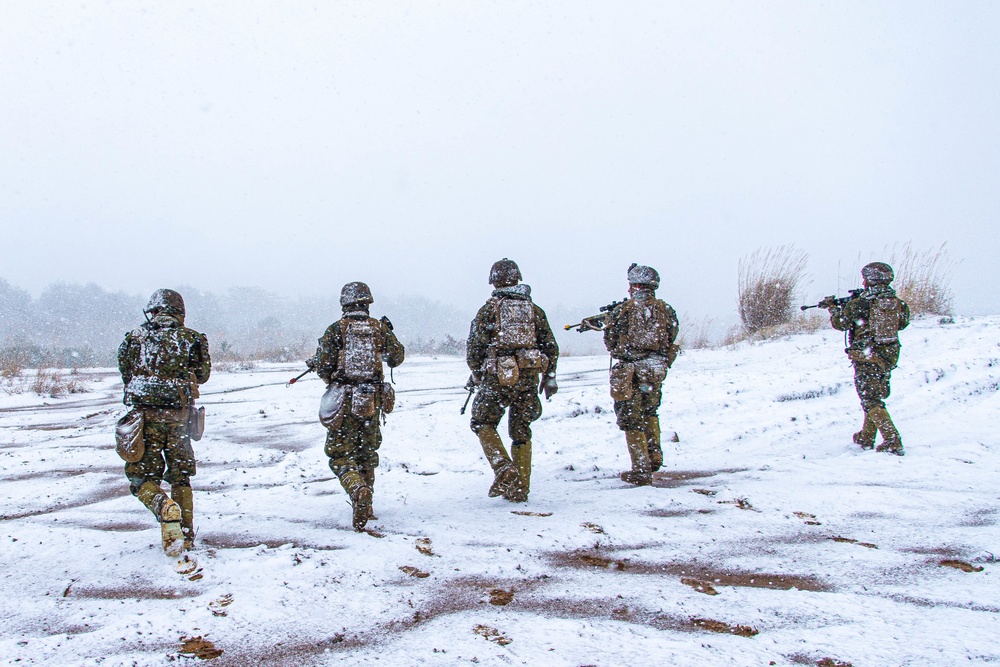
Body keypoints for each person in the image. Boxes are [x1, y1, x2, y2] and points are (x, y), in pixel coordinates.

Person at [117, 289, 211, 556]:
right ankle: (185, 532)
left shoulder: (136, 339)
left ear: (154, 310)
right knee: (181, 476)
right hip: (179, 418)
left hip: (145, 420)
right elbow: (203, 375)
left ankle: (161, 504)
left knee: (140, 478)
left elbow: (125, 371)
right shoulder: (192, 338)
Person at [314, 282, 404, 530]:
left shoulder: (336, 330)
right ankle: (367, 503)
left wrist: (330, 374)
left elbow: (323, 366)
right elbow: (396, 356)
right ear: (367, 302)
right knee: (366, 452)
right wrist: (387, 333)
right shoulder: (379, 329)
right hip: (372, 400)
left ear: (344, 303)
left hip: (344, 401)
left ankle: (357, 489)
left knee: (339, 453)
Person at [467, 259, 559, 503]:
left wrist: (477, 372)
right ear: (518, 279)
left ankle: (503, 468)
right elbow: (551, 346)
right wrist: (549, 377)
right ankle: (520, 488)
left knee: (482, 422)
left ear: (494, 281)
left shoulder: (489, 310)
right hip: (528, 378)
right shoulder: (534, 311)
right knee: (521, 432)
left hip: (498, 378)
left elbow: (474, 349)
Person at [603, 264, 679, 486]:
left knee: (630, 418)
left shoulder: (622, 311)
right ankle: (654, 456)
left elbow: (611, 343)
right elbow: (672, 334)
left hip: (630, 372)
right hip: (655, 370)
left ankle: (641, 468)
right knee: (650, 411)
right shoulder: (666, 310)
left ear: (633, 285)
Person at [827, 262, 910, 455]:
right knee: (875, 393)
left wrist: (833, 309)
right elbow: (903, 323)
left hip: (867, 356)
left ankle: (892, 439)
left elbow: (841, 323)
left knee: (870, 398)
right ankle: (866, 436)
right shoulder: (897, 302)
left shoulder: (862, 303)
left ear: (870, 280)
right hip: (888, 355)